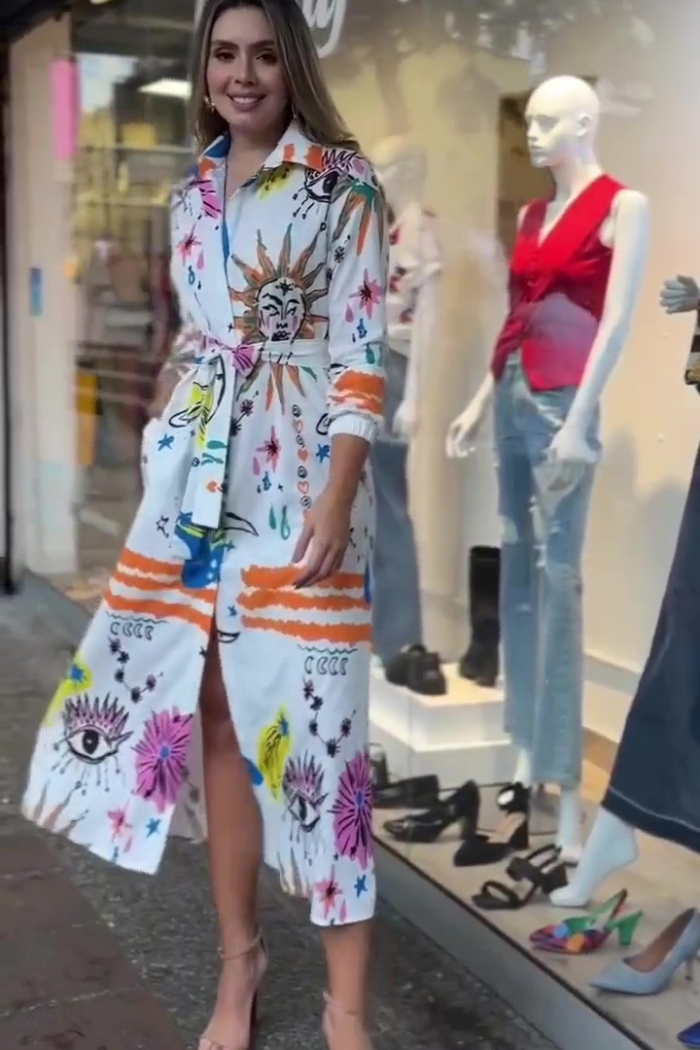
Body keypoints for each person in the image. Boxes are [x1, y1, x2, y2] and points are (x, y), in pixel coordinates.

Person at [22, 2, 388, 1049]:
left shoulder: (344, 183)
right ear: (203, 67)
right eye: (225, 54)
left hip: (301, 497)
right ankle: (240, 968)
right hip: (193, 495)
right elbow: (196, 333)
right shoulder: (188, 195)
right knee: (217, 717)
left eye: (265, 54)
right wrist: (162, 434)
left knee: (326, 747)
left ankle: (347, 1011)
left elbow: (364, 353)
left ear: (294, 63)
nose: (243, 74)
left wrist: (337, 492)